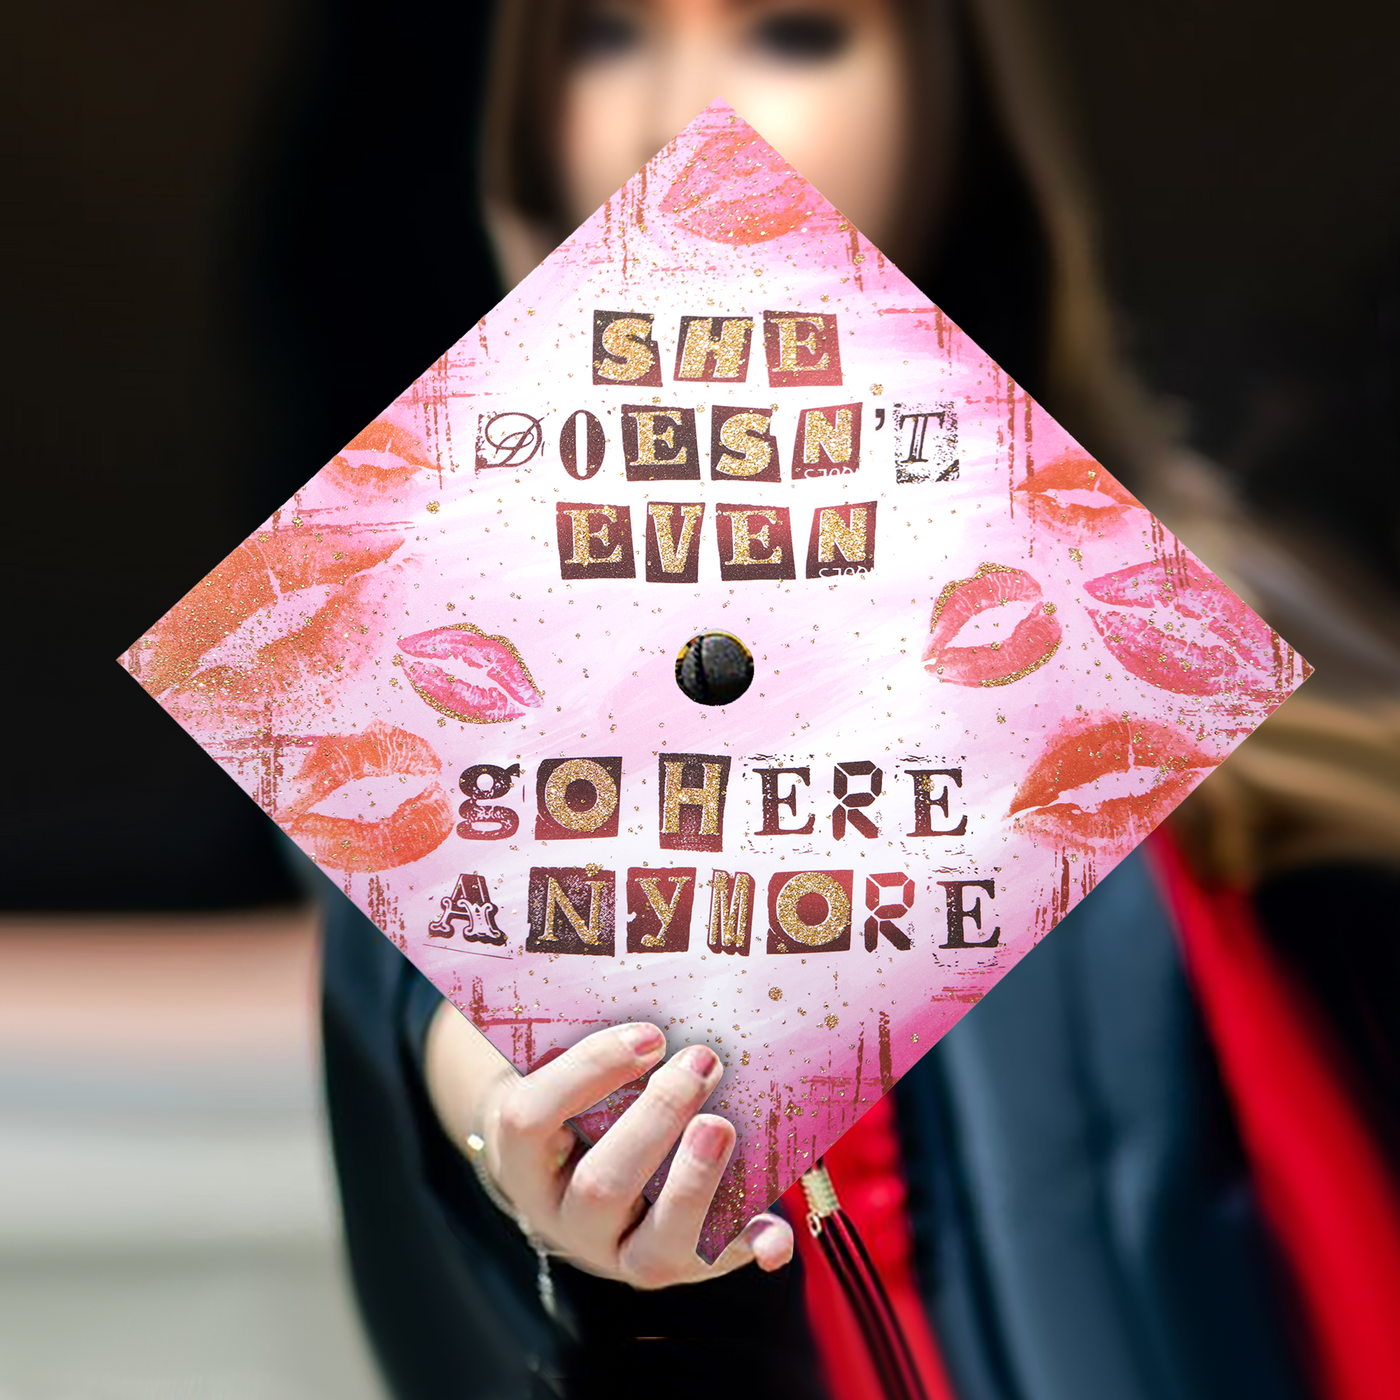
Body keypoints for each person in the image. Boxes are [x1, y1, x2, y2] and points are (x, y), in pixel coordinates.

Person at [311, 2, 1400, 1398]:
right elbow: (447, 999)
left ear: (946, 99)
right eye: (602, 36)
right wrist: (540, 1145)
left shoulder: (1208, 629)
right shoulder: (432, 676)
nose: (679, 113)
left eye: (797, 33)